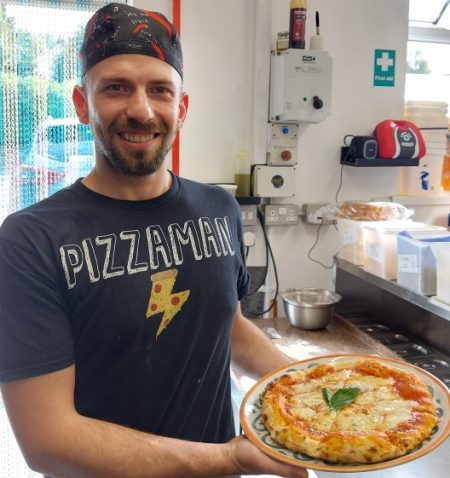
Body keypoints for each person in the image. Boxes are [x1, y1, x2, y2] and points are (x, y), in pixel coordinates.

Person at [0, 4, 308, 478]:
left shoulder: (219, 210)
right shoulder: (30, 240)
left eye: (159, 90)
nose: (141, 110)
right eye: (117, 88)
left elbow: (226, 324)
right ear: (82, 104)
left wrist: (306, 384)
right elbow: (48, 440)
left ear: (180, 109)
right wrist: (226, 458)